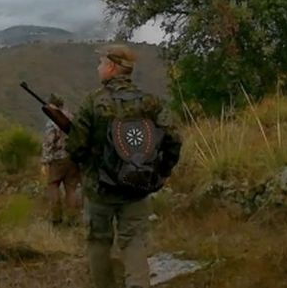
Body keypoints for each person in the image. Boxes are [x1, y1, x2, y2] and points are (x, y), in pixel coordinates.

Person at [66, 44, 182, 288]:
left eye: (100, 63)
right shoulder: (151, 102)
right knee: (135, 241)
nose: (98, 68)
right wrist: (161, 173)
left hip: (99, 190)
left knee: (99, 242)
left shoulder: (92, 103)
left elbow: (75, 147)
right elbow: (173, 140)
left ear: (111, 67)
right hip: (137, 187)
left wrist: (87, 166)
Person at [41, 93, 81, 226]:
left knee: (53, 186)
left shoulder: (53, 121)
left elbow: (48, 143)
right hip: (74, 159)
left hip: (58, 160)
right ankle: (73, 219)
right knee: (71, 189)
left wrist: (45, 162)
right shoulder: (74, 117)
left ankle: (56, 219)